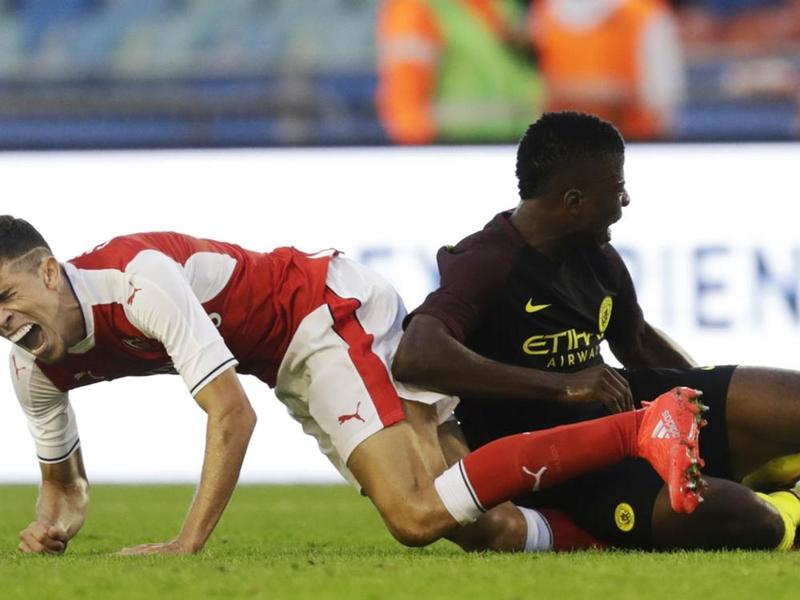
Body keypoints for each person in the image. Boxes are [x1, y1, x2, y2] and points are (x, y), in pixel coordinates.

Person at [0, 215, 704, 555]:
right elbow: (64, 487)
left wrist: (186, 543)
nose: (3, 321)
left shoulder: (137, 279)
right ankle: (633, 526)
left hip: (323, 311)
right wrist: (50, 527)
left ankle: (642, 426)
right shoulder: (32, 366)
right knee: (476, 525)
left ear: (50, 271)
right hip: (286, 359)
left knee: (416, 517)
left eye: (6, 294)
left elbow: (230, 416)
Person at [393, 111, 800, 550]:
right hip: (560, 462)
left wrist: (708, 416)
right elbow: (417, 356)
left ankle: (755, 468)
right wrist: (561, 386)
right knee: (734, 516)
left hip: (627, 409)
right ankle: (791, 506)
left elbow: (637, 341)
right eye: (618, 186)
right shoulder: (486, 261)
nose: (625, 200)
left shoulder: (599, 258)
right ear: (574, 201)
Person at [376, 0, 543, 144]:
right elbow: (406, 109)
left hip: (516, 151)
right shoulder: (416, 8)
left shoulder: (505, 5)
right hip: (457, 155)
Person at [528, 0, 686, 140]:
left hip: (634, 146)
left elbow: (663, 100)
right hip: (557, 151)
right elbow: (529, 95)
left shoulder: (647, 15)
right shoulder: (541, 12)